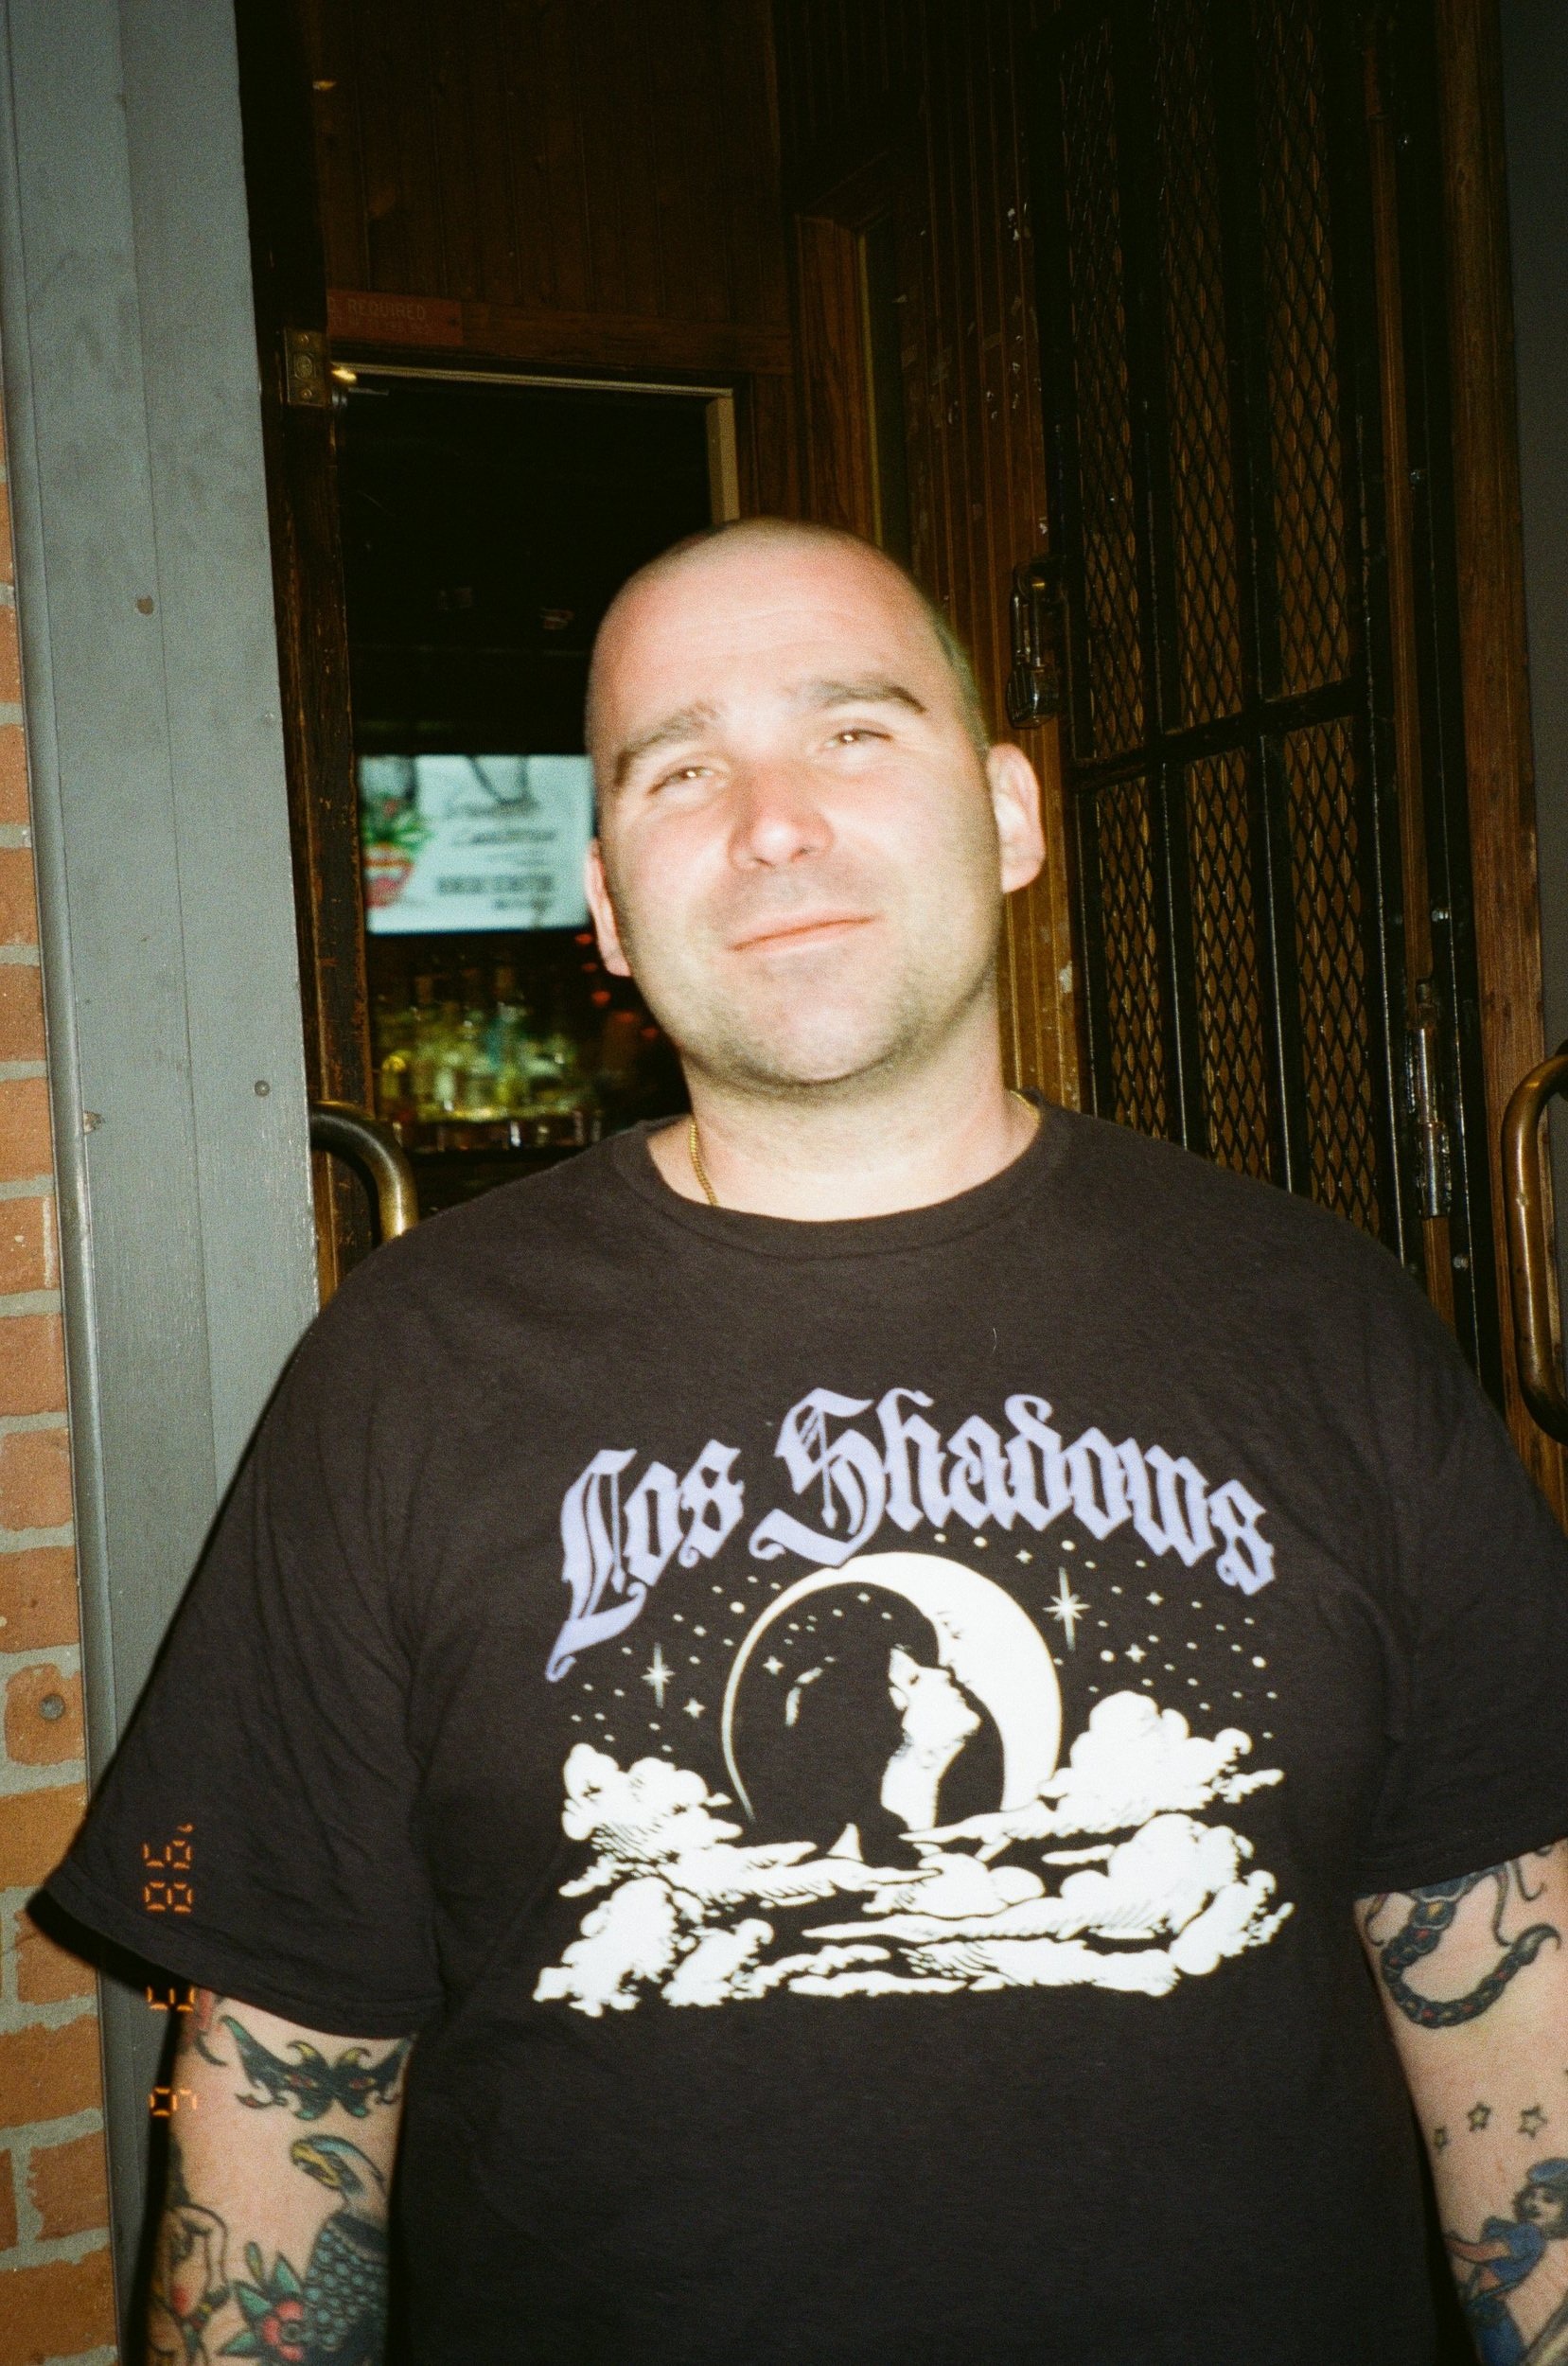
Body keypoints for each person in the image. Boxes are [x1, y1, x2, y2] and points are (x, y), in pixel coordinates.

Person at [45, 519, 1568, 2364]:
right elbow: (279, 2078)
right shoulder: (402, 1369)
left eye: (852, 731)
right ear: (608, 904)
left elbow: (1512, 1993)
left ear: (1005, 815)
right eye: (679, 770)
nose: (772, 822)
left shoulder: (1323, 1321)